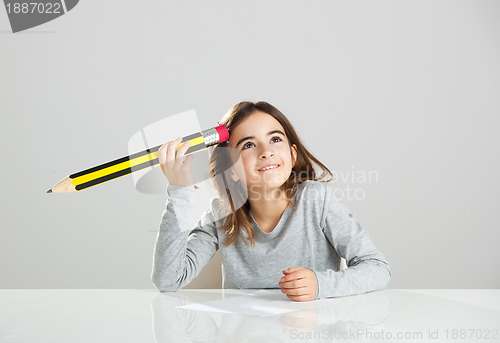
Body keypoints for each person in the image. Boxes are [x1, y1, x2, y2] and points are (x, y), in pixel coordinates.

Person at [152, 101, 391, 301]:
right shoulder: (220, 214)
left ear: (292, 154)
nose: (266, 151)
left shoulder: (318, 200)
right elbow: (168, 280)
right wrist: (180, 193)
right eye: (248, 145)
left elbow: (377, 268)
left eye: (275, 139)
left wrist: (321, 284)